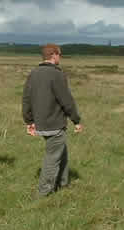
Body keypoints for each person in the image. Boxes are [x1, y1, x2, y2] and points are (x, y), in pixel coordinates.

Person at [22, 43, 83, 197]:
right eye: (60, 54)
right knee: (52, 159)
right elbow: (66, 101)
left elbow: (26, 99)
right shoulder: (57, 74)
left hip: (41, 123)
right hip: (54, 124)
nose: (60, 57)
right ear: (54, 54)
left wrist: (29, 121)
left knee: (62, 153)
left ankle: (63, 186)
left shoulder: (33, 73)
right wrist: (76, 120)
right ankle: (42, 195)